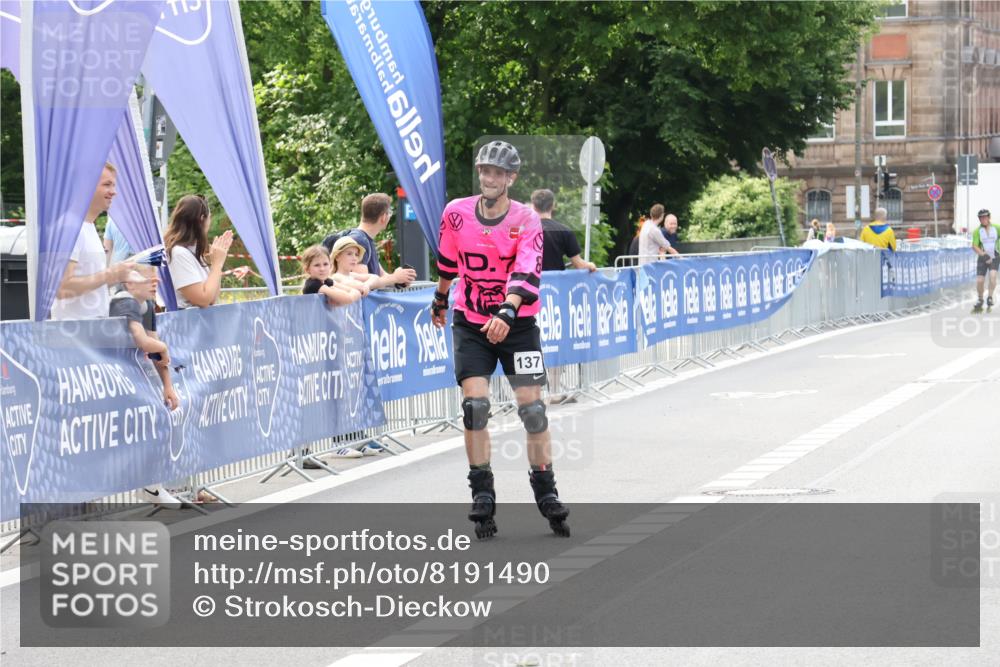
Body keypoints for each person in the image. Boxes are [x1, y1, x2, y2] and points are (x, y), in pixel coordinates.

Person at [431, 140, 570, 539]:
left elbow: (527, 271)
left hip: (518, 326)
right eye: (484, 171)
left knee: (534, 411)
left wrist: (507, 311)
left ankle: (546, 489)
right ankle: (482, 492)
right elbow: (445, 262)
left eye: (498, 173)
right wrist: (440, 298)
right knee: (474, 407)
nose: (489, 178)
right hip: (472, 323)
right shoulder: (456, 213)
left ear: (511, 178)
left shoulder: (527, 219)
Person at [109, 265, 182, 508]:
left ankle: (152, 486)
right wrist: (162, 348)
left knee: (162, 414)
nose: (154, 281)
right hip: (112, 375)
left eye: (155, 276)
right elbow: (144, 342)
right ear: (129, 283)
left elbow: (154, 342)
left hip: (133, 373)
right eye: (146, 277)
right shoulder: (124, 301)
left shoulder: (147, 303)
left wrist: (168, 386)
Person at [51, 163, 136, 320]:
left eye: (114, 185)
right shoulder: (70, 227)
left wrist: (118, 276)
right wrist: (110, 274)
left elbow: (91, 286)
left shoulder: (87, 227)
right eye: (107, 185)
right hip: (74, 337)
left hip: (88, 334)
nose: (114, 192)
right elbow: (61, 288)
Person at [324, 193, 417, 289]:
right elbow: (363, 286)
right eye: (390, 213)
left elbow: (382, 277)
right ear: (384, 217)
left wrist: (399, 280)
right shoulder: (359, 241)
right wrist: (394, 278)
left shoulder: (366, 240)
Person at [164, 194, 233, 308]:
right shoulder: (178, 253)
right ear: (202, 219)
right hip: (183, 323)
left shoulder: (193, 253)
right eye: (209, 217)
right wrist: (216, 264)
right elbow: (203, 299)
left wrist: (217, 265)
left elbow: (212, 298)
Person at [531, 188, 596, 273]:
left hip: (529, 283)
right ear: (553, 205)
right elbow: (579, 265)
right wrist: (590, 265)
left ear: (533, 206)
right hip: (555, 284)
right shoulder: (565, 231)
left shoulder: (522, 230)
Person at [971, 208, 999, 313]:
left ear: (989, 217)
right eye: (981, 217)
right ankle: (980, 299)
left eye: (985, 217)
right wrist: (984, 255)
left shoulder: (997, 227)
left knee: (992, 277)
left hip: (995, 255)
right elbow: (974, 246)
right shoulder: (977, 231)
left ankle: (990, 297)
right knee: (980, 280)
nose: (983, 219)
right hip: (983, 256)